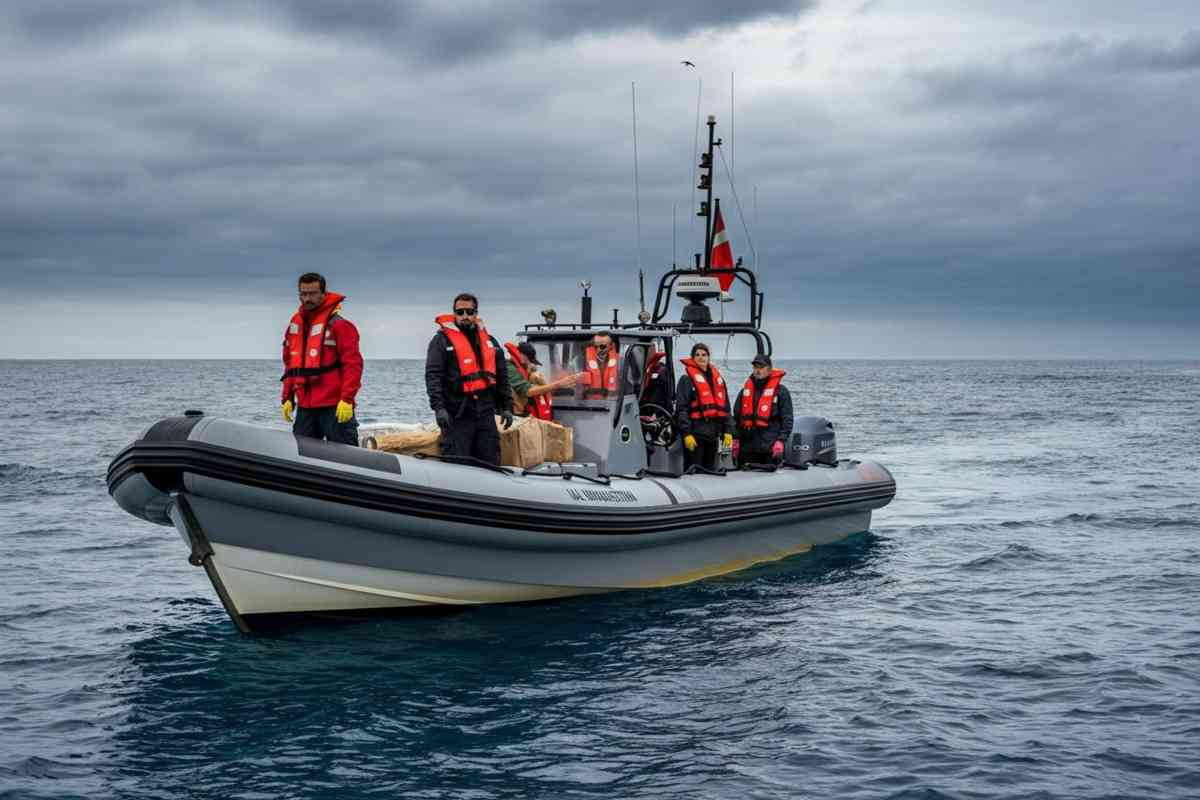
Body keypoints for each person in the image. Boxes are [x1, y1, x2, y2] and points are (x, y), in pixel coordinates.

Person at [425, 293, 513, 466]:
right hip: (457, 414)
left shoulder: (490, 342)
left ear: (476, 313)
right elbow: (433, 376)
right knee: (456, 464)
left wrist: (506, 407)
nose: (465, 316)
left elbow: (502, 376)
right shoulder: (441, 341)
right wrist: (439, 408)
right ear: (454, 314)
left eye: (469, 311)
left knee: (491, 463)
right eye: (460, 312)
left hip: (485, 413)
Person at [280, 272, 363, 445]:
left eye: (312, 293)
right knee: (301, 459)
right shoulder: (295, 326)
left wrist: (347, 399)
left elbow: (353, 365)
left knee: (347, 459)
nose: (307, 298)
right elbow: (290, 365)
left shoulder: (340, 326)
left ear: (323, 294)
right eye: (303, 294)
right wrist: (287, 397)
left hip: (334, 407)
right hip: (305, 408)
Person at [675, 342, 734, 471]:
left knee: (710, 470)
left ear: (708, 357)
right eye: (697, 355)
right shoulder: (686, 380)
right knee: (693, 470)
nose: (701, 357)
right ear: (693, 358)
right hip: (695, 436)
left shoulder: (718, 380)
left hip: (713, 436)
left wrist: (728, 431)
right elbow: (682, 409)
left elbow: (726, 408)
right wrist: (686, 434)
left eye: (704, 354)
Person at [734, 353, 794, 467]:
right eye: (755, 367)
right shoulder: (744, 392)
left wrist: (781, 441)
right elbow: (736, 417)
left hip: (770, 448)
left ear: (769, 369)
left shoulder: (781, 392)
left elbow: (787, 419)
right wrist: (735, 438)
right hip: (747, 449)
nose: (758, 370)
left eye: (761, 367)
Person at [504, 341, 577, 420]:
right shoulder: (509, 368)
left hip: (526, 415)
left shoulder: (528, 372)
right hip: (513, 416)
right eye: (530, 361)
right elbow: (528, 391)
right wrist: (559, 384)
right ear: (522, 356)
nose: (532, 365)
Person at [581, 332, 619, 399]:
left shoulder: (620, 361)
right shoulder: (581, 360)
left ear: (611, 346)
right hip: (589, 404)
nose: (598, 349)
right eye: (595, 346)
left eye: (602, 346)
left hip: (614, 403)